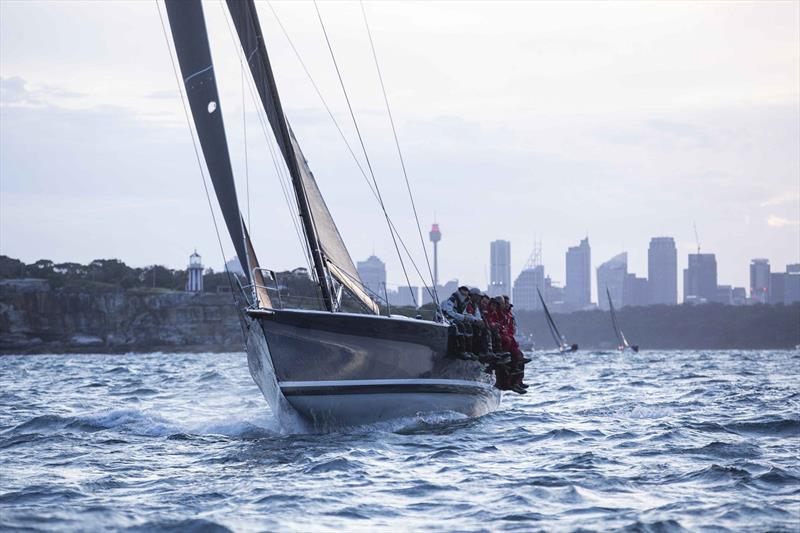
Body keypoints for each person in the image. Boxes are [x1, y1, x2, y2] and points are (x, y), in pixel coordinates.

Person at [440, 286, 475, 358]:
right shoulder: (452, 299)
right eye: (463, 291)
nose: (465, 293)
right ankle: (461, 350)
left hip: (456, 318)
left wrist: (470, 317)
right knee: (460, 326)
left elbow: (463, 312)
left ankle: (469, 350)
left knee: (468, 326)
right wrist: (463, 317)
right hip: (446, 318)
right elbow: (449, 312)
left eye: (466, 291)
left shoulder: (466, 301)